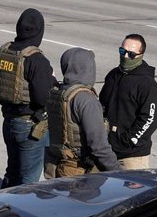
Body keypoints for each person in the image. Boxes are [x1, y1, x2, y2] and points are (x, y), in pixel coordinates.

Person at [0, 8, 56, 188]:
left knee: (13, 171)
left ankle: (3, 210)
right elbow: (42, 98)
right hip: (29, 126)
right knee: (28, 180)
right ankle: (20, 214)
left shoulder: (4, 51)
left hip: (9, 120)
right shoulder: (36, 59)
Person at [44, 47, 120, 178]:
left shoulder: (57, 92)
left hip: (57, 165)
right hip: (78, 170)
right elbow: (99, 146)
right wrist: (119, 171)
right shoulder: (85, 99)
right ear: (88, 68)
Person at [100, 34, 157, 169]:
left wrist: (128, 140)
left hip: (132, 156)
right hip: (107, 152)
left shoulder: (147, 84)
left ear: (141, 55)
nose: (126, 56)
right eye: (122, 51)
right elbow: (102, 106)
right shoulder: (113, 75)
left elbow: (149, 119)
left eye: (131, 54)